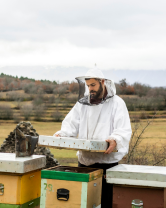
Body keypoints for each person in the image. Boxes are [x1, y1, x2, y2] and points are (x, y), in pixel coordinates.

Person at [54, 67, 132, 208]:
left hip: (107, 165)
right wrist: (62, 134)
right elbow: (70, 124)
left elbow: (123, 129)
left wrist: (115, 139)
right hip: (84, 164)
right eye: (88, 85)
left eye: (93, 85)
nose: (90, 89)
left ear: (102, 82)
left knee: (107, 203)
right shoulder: (82, 104)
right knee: (84, 202)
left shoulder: (117, 103)